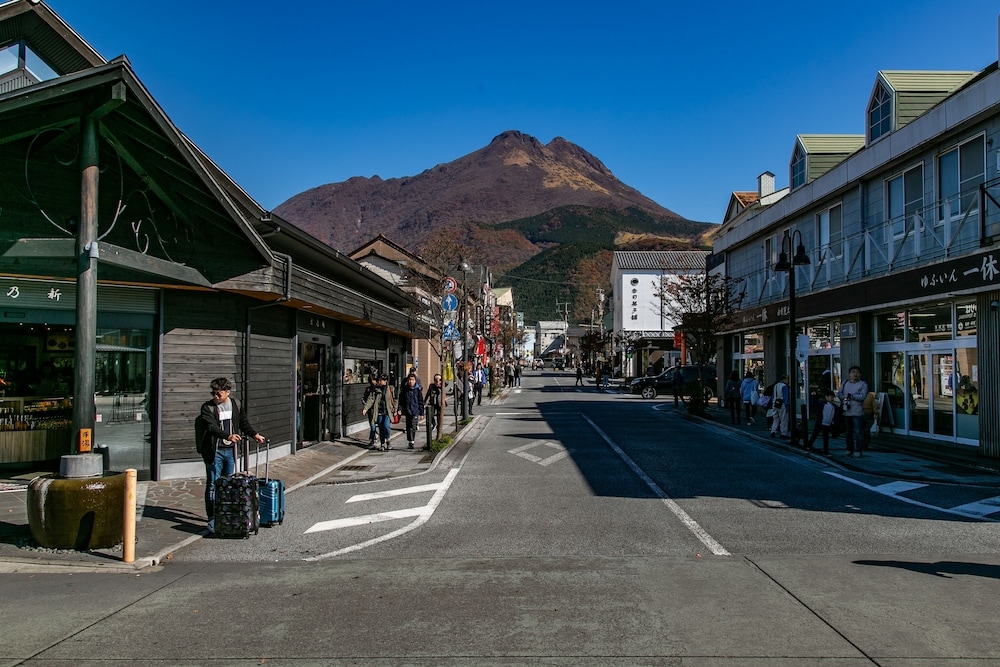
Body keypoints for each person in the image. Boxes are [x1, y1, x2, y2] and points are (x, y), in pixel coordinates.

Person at [197, 377, 265, 534]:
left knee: (228, 485)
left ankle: (226, 514)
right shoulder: (207, 408)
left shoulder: (235, 405)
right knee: (213, 485)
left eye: (218, 394)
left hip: (230, 451)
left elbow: (243, 423)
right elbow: (211, 427)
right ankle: (212, 518)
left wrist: (254, 435)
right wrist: (227, 436)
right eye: (213, 393)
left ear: (227, 392)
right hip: (215, 451)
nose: (215, 396)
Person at [838, 365, 869, 458]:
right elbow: (840, 393)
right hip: (846, 411)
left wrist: (851, 396)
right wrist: (842, 397)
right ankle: (849, 449)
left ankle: (858, 450)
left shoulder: (863, 384)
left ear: (860, 374)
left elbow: (863, 397)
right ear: (849, 374)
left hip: (857, 412)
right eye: (853, 372)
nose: (855, 374)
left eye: (857, 372)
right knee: (848, 432)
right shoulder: (845, 382)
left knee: (858, 431)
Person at [362, 374, 397, 450]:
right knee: (381, 428)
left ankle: (388, 440)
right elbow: (371, 399)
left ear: (385, 381)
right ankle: (382, 444)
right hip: (378, 411)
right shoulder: (375, 389)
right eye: (379, 380)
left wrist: (396, 409)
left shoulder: (390, 389)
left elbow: (395, 399)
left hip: (387, 412)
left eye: (380, 380)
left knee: (386, 426)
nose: (379, 381)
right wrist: (366, 408)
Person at [806, 390, 837, 455]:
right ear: (826, 397)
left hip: (827, 424)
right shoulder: (822, 403)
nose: (832, 399)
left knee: (825, 438)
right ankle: (809, 446)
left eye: (833, 397)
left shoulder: (833, 406)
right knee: (815, 435)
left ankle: (825, 450)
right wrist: (813, 396)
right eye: (831, 397)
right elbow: (814, 404)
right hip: (820, 423)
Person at [398, 373, 424, 449]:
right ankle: (410, 440)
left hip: (415, 410)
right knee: (408, 426)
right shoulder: (404, 390)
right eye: (409, 380)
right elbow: (401, 400)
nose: (410, 381)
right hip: (407, 410)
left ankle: (412, 441)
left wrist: (422, 412)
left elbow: (420, 401)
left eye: (412, 380)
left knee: (413, 426)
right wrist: (399, 409)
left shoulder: (417, 390)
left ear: (415, 381)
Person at [424, 373, 446, 448]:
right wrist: (425, 401)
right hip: (433, 403)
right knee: (431, 415)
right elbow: (428, 394)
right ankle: (433, 423)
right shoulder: (431, 386)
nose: (437, 381)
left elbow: (446, 384)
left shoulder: (442, 386)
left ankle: (438, 429)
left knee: (439, 417)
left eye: (439, 379)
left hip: (440, 404)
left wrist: (442, 382)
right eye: (436, 379)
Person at [362, 375, 379, 446]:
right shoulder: (368, 389)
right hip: (370, 409)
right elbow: (364, 398)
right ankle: (373, 437)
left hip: (378, 409)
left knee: (375, 424)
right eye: (371, 380)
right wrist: (366, 406)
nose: (373, 382)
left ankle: (373, 437)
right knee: (372, 424)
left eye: (374, 380)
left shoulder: (379, 388)